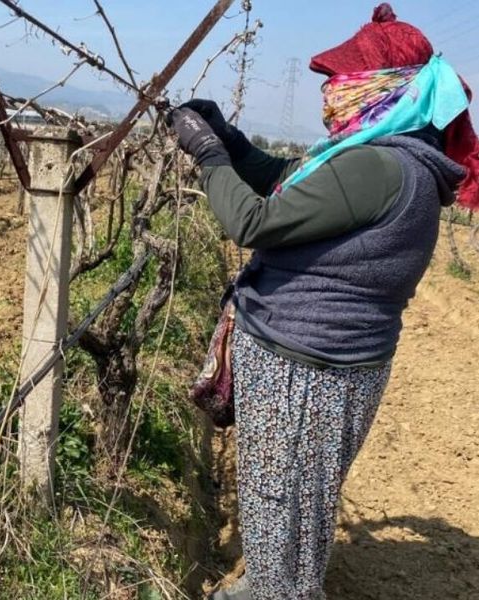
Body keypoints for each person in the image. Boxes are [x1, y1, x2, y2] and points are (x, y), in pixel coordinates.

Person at [167, 5, 479, 600]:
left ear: (384, 88)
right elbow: (291, 180)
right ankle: (276, 583)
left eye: (344, 80)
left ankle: (275, 590)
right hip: (324, 368)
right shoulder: (393, 159)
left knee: (280, 500)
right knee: (294, 507)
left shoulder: (380, 166)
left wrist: (209, 157)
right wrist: (231, 140)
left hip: (303, 373)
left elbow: (252, 220)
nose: (331, 93)